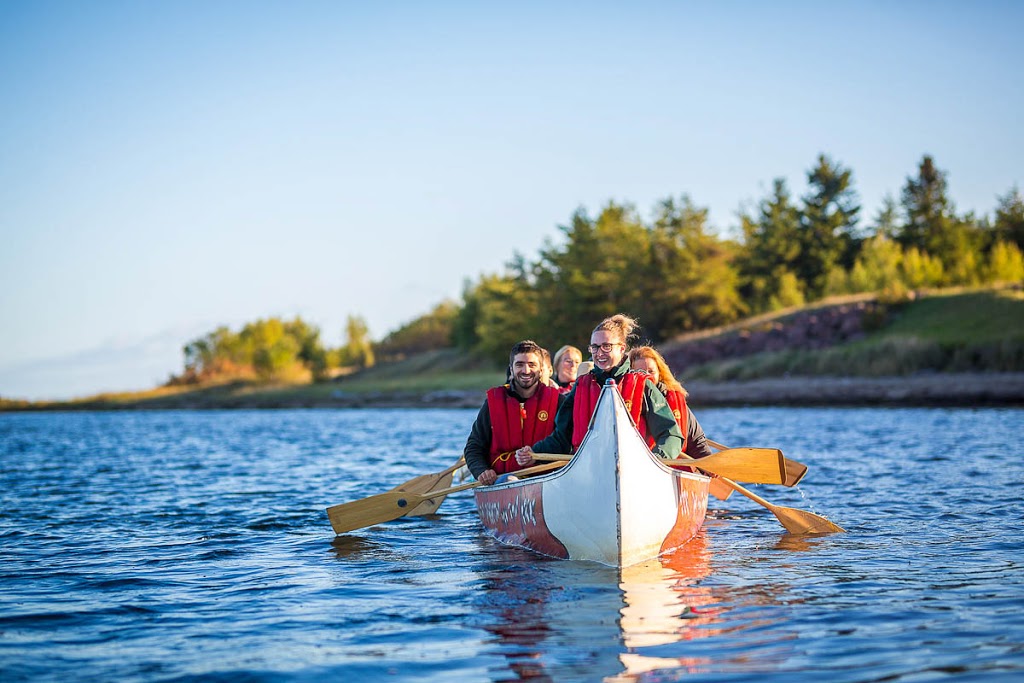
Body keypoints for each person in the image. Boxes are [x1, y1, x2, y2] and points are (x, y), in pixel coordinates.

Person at [514, 314, 683, 466]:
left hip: (634, 468)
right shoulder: (581, 386)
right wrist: (534, 453)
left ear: (622, 348)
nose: (599, 353)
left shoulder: (643, 385)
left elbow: (671, 435)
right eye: (594, 347)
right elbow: (561, 438)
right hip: (588, 470)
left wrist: (654, 461)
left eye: (606, 346)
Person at [464, 340, 567, 486]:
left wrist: (537, 456)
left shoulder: (559, 402)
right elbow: (474, 446)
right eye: (519, 365)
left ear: (541, 370)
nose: (526, 370)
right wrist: (481, 470)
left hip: (548, 479)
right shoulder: (492, 402)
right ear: (511, 370)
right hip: (504, 478)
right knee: (509, 480)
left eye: (532, 365)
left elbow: (565, 442)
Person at [628, 346, 713, 459]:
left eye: (651, 371)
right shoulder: (624, 401)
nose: (646, 376)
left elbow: (697, 441)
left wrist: (708, 464)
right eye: (640, 372)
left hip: (673, 467)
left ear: (660, 373)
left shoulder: (675, 399)